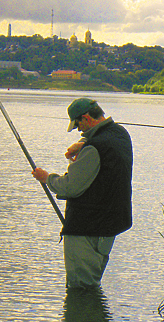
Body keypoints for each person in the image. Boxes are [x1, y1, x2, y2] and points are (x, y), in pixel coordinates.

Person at [32, 98, 133, 289]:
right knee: (91, 284)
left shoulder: (94, 148)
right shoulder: (121, 134)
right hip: (108, 228)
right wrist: (82, 143)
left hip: (87, 229)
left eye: (78, 124)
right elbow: (101, 139)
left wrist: (47, 178)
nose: (78, 130)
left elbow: (71, 186)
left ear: (86, 118)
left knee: (81, 288)